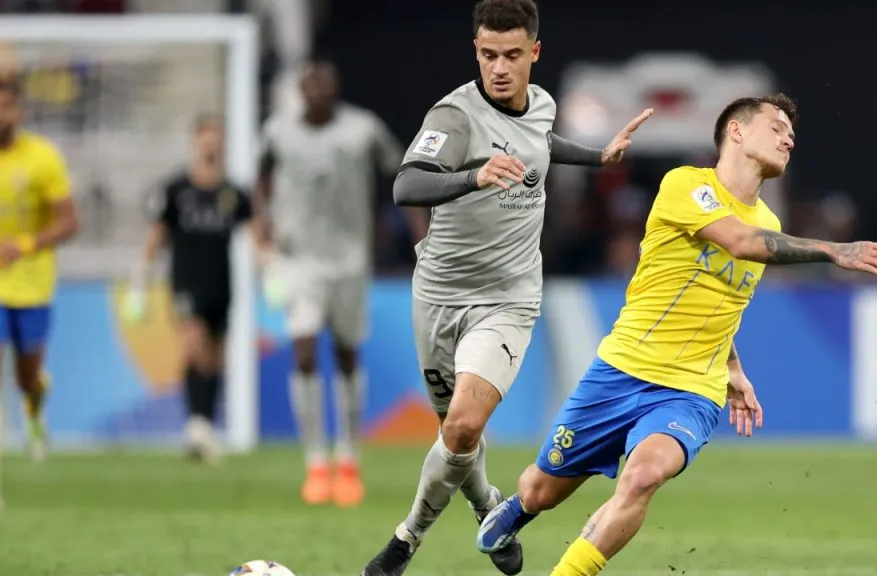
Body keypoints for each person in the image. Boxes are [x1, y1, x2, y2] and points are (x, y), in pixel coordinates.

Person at [475, 94, 877, 576]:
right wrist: (832, 249)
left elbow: (724, 303)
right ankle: (516, 511)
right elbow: (739, 242)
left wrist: (733, 367)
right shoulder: (685, 185)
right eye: (777, 126)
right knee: (541, 490)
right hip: (620, 371)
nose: (789, 137)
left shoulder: (771, 224)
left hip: (691, 390)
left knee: (642, 478)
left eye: (791, 133)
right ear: (736, 132)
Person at [360, 1, 652, 575]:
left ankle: (405, 541)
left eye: (513, 55)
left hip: (508, 299)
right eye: (489, 55)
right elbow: (405, 186)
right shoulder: (454, 117)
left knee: (464, 425)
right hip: (439, 296)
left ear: (534, 53)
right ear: (476, 52)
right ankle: (489, 507)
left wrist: (598, 157)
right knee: (456, 436)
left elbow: (541, 143)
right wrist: (472, 175)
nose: (500, 67)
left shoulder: (542, 105)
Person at [254, 58, 405, 507]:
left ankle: (349, 458)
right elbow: (260, 177)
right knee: (303, 352)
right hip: (297, 260)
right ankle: (316, 462)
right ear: (301, 90)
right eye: (311, 86)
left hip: (349, 262)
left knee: (345, 355)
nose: (318, 93)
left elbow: (399, 169)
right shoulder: (278, 132)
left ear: (336, 89)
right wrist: (264, 220)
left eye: (325, 86)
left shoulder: (363, 129)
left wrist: (396, 227)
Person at [128, 114, 253, 463]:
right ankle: (197, 427)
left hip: (221, 285)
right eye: (205, 138)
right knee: (193, 346)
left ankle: (203, 427)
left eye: (217, 138)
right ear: (195, 142)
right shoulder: (176, 190)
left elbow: (255, 234)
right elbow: (157, 237)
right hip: (185, 282)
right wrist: (140, 277)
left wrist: (270, 267)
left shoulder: (234, 194)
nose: (211, 144)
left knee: (214, 358)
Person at [0, 79, 79, 462]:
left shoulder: (41, 158)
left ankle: (35, 409)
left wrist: (24, 245)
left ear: (18, 112)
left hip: (32, 282)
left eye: (6, 106)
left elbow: (69, 222)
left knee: (26, 374)